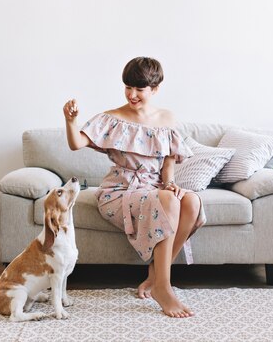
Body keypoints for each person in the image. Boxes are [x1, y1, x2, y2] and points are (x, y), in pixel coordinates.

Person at [62, 56, 205, 318]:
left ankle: (155, 274)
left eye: (140, 89)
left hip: (154, 189)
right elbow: (76, 144)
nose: (132, 94)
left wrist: (171, 185)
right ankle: (164, 287)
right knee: (169, 201)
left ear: (155, 89)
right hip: (120, 190)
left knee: (191, 202)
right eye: (128, 87)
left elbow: (168, 165)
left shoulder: (167, 118)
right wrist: (70, 121)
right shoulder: (112, 118)